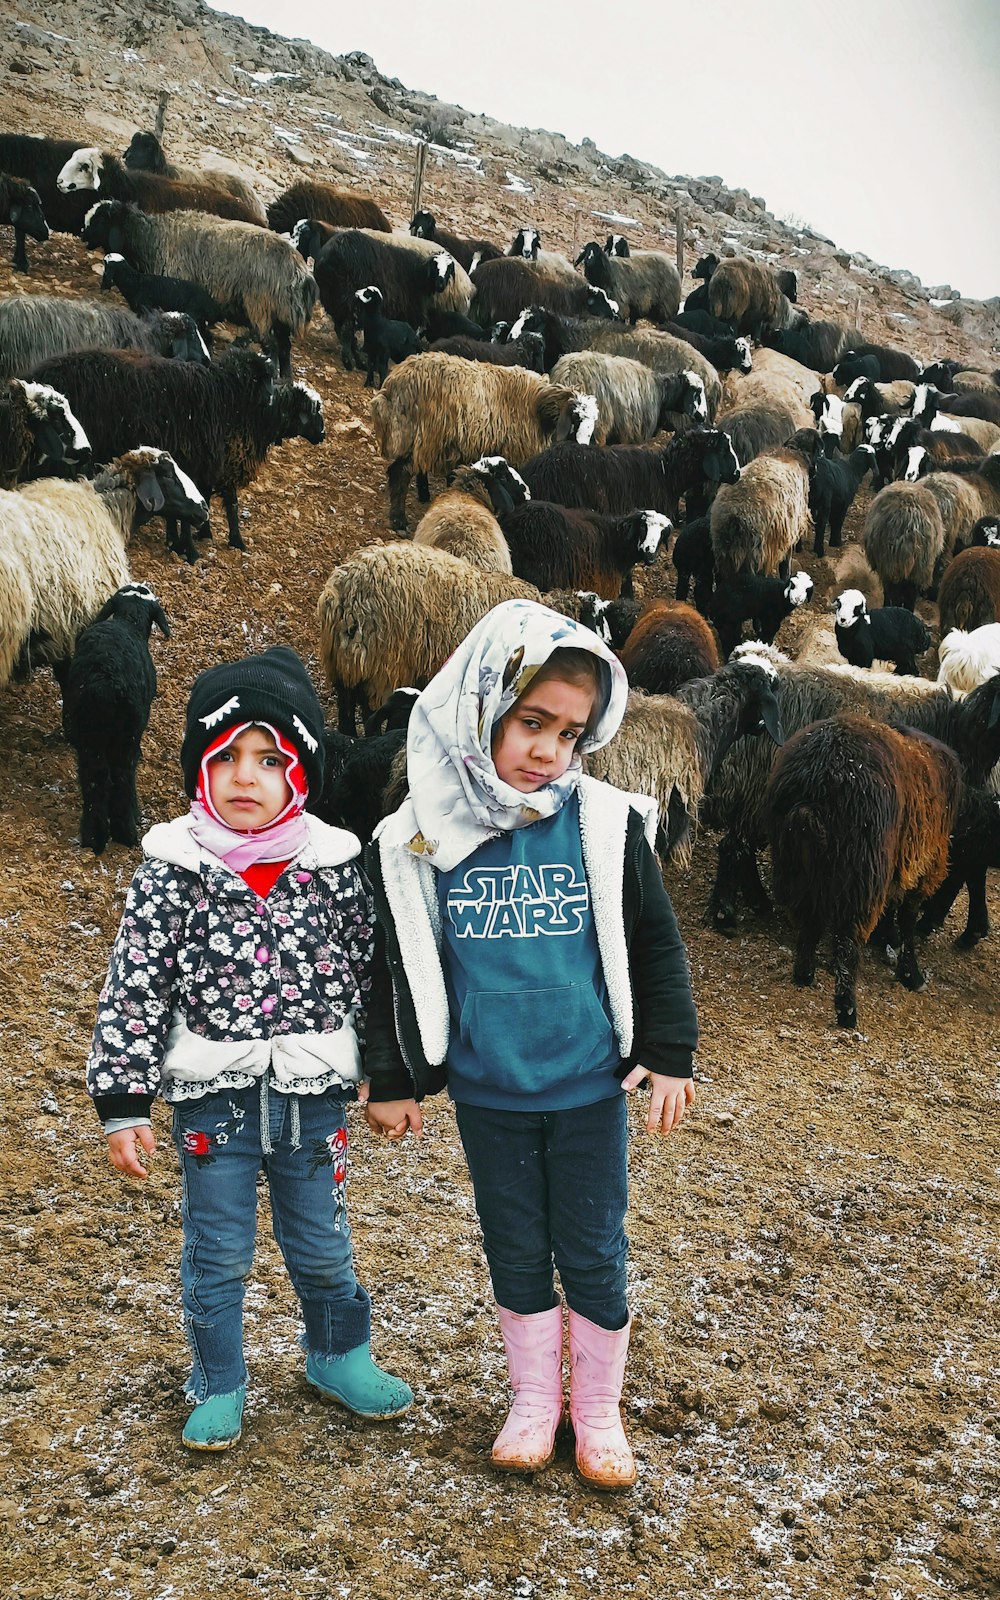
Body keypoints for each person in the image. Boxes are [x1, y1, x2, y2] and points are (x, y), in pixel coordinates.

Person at [363, 600, 698, 1489]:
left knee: (591, 1247)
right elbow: (394, 959)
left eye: (570, 732)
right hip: (489, 1090)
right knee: (514, 1247)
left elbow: (655, 941)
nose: (549, 748)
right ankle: (531, 1402)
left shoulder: (603, 823)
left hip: (587, 1085)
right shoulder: (421, 835)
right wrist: (392, 1075)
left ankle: (595, 1410)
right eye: (531, 721)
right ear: (483, 706)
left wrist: (669, 1052)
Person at [86, 646, 412, 1451]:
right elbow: (136, 982)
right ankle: (218, 1380)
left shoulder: (335, 865)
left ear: (300, 771)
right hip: (214, 1101)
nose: (245, 776)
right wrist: (122, 1099)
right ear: (198, 767)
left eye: (269, 759)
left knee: (324, 1244)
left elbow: (372, 972)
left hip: (312, 1097)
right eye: (224, 757)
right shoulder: (174, 870)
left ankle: (339, 1352)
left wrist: (387, 1073)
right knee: (218, 1250)